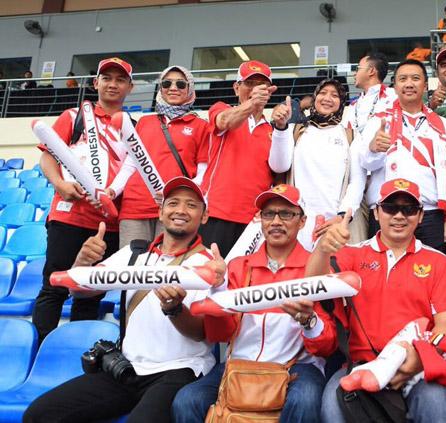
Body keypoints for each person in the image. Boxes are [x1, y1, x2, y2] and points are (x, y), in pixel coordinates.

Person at [24, 176, 225, 423]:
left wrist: (174, 309)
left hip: (179, 371)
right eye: (173, 203)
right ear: (160, 212)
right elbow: (81, 292)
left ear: (204, 216)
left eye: (192, 205)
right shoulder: (133, 252)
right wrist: (82, 263)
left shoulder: (209, 266)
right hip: (126, 369)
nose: (181, 210)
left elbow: (201, 333)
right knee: (39, 415)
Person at [172, 184, 337, 423]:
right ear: (260, 220)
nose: (276, 221)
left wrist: (309, 321)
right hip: (239, 366)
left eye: (286, 214)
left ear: (302, 221)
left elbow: (327, 347)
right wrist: (218, 289)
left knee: (306, 398)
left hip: (296, 369)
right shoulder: (239, 266)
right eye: (269, 214)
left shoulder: (315, 267)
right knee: (186, 400)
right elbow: (220, 334)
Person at [307, 178, 446, 423]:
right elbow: (313, 287)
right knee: (331, 408)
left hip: (417, 366)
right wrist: (323, 249)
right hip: (360, 365)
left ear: (420, 216)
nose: (399, 215)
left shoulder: (438, 261)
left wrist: (418, 363)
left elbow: (445, 327)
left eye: (408, 209)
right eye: (390, 208)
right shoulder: (353, 254)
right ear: (377, 212)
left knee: (434, 404)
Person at [32, 57, 134, 342]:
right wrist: (60, 184)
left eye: (120, 79)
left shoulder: (132, 126)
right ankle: (40, 352)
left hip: (109, 224)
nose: (112, 84)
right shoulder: (73, 116)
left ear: (130, 86)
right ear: (95, 83)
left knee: (90, 292)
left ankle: (77, 358)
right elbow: (47, 156)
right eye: (107, 78)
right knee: (53, 287)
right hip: (68, 218)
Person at [111, 65, 209, 248]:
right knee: (131, 266)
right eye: (166, 83)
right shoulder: (144, 122)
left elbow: (203, 173)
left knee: (165, 267)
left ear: (190, 89)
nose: (173, 88)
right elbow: (131, 163)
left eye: (181, 84)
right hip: (135, 206)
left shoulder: (201, 125)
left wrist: (175, 192)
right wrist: (113, 190)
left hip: (175, 208)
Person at [360, 59, 446, 249]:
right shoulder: (378, 120)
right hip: (386, 211)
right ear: (395, 86)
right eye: (403, 79)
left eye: (415, 78)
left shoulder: (442, 125)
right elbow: (365, 164)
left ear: (425, 85)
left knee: (430, 274)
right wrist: (374, 148)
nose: (409, 84)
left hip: (430, 213)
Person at [199, 60, 288, 255]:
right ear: (236, 87)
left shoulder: (273, 129)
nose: (255, 89)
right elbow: (224, 121)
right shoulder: (221, 108)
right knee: (208, 278)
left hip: (254, 222)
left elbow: (279, 175)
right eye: (249, 84)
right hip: (216, 213)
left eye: (261, 85)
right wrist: (251, 104)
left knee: (244, 282)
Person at [269, 79, 366, 250]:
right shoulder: (295, 130)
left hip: (335, 224)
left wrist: (342, 216)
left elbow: (357, 180)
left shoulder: (351, 136)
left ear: (341, 103)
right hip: (297, 223)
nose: (328, 98)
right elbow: (279, 166)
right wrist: (280, 127)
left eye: (335, 95)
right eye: (323, 93)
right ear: (314, 98)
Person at [343, 53, 396, 136]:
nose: (354, 73)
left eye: (358, 69)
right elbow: (348, 139)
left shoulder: (395, 97)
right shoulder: (353, 105)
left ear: (371, 71)